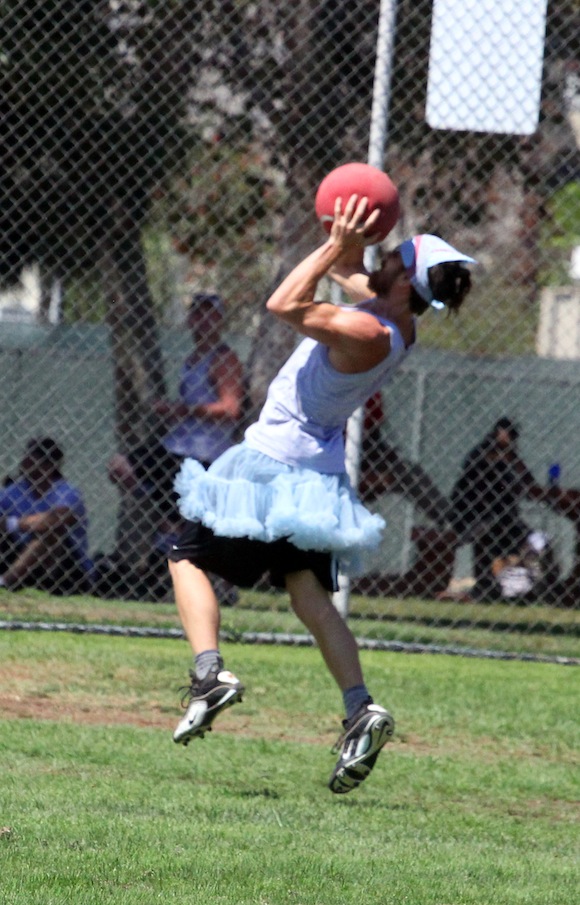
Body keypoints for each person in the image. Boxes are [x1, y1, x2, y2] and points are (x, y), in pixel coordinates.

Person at [167, 195, 475, 794]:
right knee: (308, 596)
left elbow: (283, 302)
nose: (385, 255)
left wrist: (337, 246)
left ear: (404, 280)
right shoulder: (399, 319)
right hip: (316, 478)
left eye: (395, 255)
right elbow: (350, 271)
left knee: (187, 557)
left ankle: (209, 675)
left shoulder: (366, 327)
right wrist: (343, 233)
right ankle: (360, 709)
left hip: (272, 466)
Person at [94, 292, 244, 603]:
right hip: (175, 447)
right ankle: (169, 529)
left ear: (220, 321)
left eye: (210, 315)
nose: (203, 321)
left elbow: (231, 408)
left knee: (187, 516)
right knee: (121, 467)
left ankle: (179, 545)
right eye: (197, 314)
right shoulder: (192, 358)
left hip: (203, 453)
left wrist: (183, 410)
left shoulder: (223, 358)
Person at [447, 417, 557, 601]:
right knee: (496, 534)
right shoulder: (482, 458)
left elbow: (529, 487)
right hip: (473, 517)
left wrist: (541, 491)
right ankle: (489, 585)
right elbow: (485, 491)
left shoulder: (511, 460)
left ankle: (529, 586)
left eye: (510, 438)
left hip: (502, 519)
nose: (506, 443)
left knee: (536, 540)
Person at [0, 437, 92, 594]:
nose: (25, 460)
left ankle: (3, 583)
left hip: (64, 567)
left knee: (51, 533)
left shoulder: (66, 491)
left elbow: (59, 518)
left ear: (49, 466)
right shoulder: (15, 490)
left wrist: (11, 524)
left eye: (34, 456)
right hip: (20, 556)